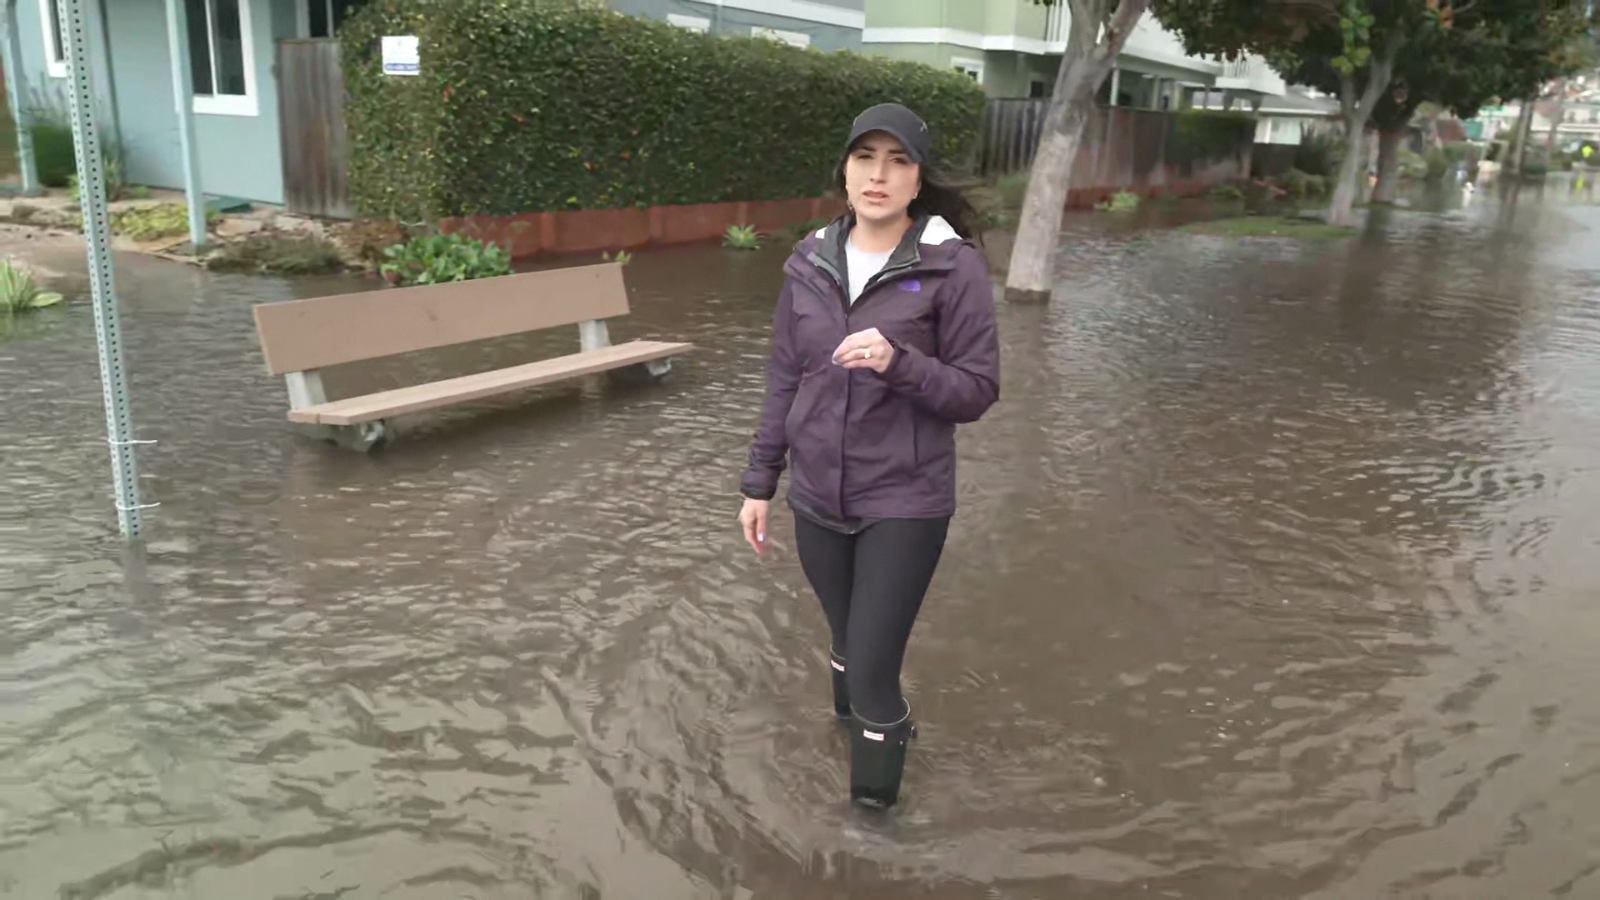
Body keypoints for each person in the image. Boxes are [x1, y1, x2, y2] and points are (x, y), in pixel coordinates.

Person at [735, 102, 1001, 809]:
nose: (878, 175)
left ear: (917, 182)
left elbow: (977, 391)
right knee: (846, 638)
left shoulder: (953, 269)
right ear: (845, 172)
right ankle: (856, 737)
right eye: (865, 158)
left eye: (898, 161)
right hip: (818, 497)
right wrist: (760, 483)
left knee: (876, 665)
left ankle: (870, 833)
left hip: (905, 501)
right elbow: (784, 381)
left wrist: (898, 362)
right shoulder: (808, 260)